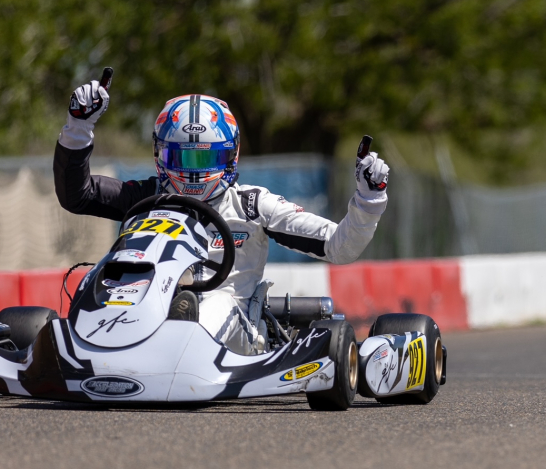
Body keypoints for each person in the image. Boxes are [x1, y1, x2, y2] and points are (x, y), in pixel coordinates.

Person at [53, 78, 389, 355]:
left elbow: (339, 246)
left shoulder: (252, 206)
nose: (194, 173)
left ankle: (174, 333)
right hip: (143, 302)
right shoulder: (146, 196)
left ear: (230, 155)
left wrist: (369, 199)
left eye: (206, 159)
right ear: (160, 154)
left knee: (204, 311)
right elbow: (76, 194)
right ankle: (88, 342)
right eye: (182, 158)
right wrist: (78, 126)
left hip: (232, 319)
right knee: (91, 290)